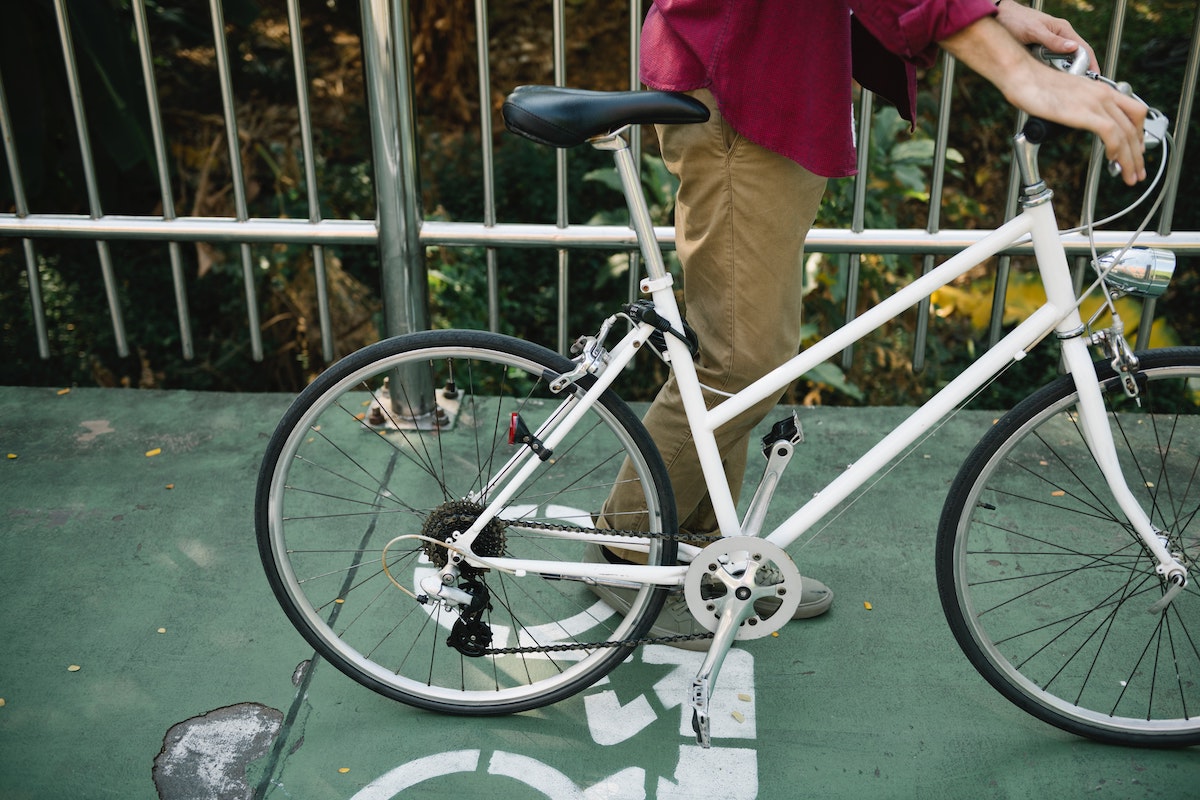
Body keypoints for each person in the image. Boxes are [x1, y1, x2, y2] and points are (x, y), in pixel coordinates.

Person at [588, 0, 1149, 647]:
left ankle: (698, 541)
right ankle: (629, 546)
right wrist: (1018, 71)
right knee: (744, 359)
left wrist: (991, 12)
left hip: (769, 73)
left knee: (748, 351)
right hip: (740, 80)